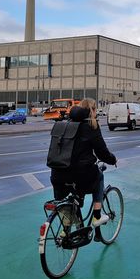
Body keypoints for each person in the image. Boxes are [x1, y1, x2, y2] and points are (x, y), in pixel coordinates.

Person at [50, 98, 117, 240]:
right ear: (91, 111)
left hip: (58, 173)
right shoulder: (91, 126)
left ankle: (65, 230)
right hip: (81, 174)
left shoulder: (64, 125)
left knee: (70, 198)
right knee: (98, 176)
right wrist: (112, 159)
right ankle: (97, 217)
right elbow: (101, 152)